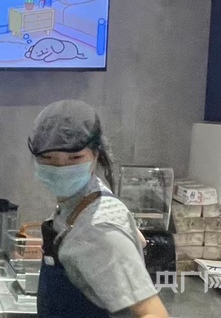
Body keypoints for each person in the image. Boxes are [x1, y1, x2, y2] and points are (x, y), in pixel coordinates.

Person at [28, 100, 169, 318]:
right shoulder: (79, 202)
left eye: (75, 158)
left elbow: (153, 314)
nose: (61, 168)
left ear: (96, 155)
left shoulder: (100, 227)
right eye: (48, 158)